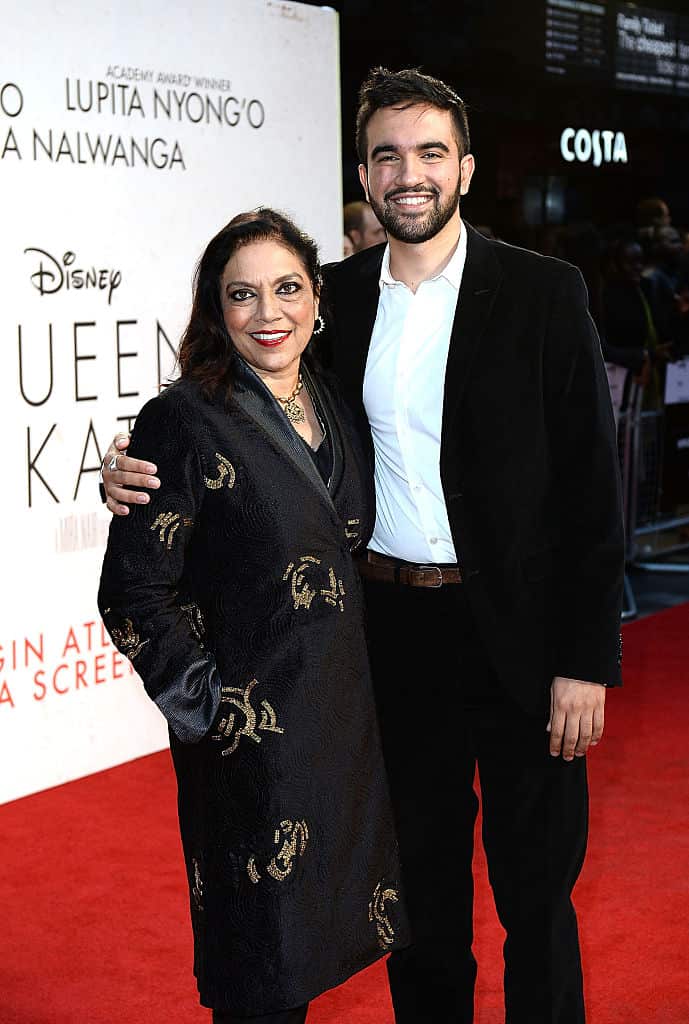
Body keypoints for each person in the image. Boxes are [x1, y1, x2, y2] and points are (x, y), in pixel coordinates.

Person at [103, 68, 625, 1024]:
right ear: (364, 173)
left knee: (537, 896)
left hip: (524, 636)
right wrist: (131, 465)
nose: (409, 172)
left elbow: (593, 490)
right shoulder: (332, 300)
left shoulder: (544, 293)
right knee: (419, 895)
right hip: (390, 640)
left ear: (465, 168)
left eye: (430, 152)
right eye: (388, 154)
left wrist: (584, 660)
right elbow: (240, 406)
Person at [98, 208, 409, 1024]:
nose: (268, 313)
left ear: (315, 300)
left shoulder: (332, 401)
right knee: (258, 975)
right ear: (215, 308)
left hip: (337, 732)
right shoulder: (183, 417)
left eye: (286, 289)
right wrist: (214, 711)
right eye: (243, 295)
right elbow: (131, 594)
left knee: (309, 955)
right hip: (249, 748)